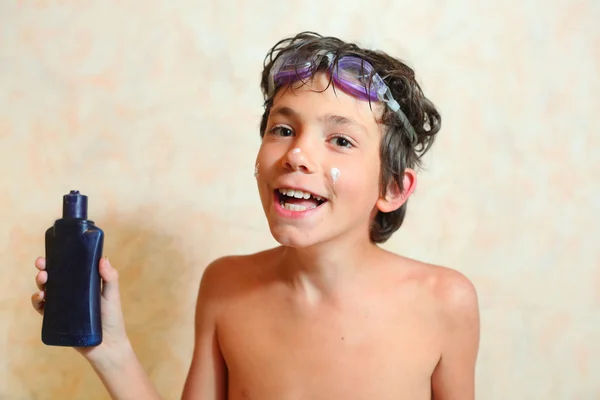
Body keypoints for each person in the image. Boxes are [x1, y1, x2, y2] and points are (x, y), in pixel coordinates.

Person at [31, 31, 480, 399]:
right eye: (283, 130)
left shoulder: (444, 302)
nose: (298, 153)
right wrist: (110, 350)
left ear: (393, 188)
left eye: (340, 140)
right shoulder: (226, 288)